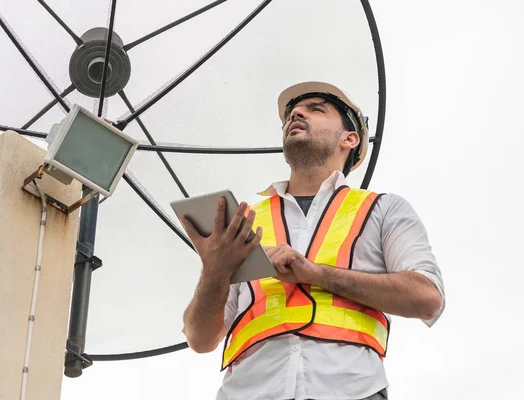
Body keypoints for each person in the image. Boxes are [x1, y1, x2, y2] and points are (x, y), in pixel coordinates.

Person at [180, 82, 445, 400]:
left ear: (349, 138)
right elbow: (200, 339)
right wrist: (214, 273)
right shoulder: (244, 221)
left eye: (316, 109)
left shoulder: (384, 209)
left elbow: (427, 297)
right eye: (292, 113)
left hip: (352, 390)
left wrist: (316, 274)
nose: (297, 114)